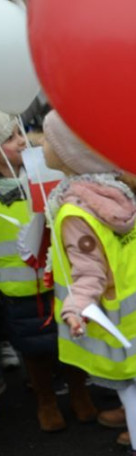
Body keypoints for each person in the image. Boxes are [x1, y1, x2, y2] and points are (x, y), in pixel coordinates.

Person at [43, 111, 136, 456]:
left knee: (131, 393)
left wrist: (74, 308)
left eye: (49, 140)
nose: (41, 144)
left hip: (117, 322)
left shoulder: (76, 211)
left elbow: (89, 274)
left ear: (71, 156)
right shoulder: (113, 193)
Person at [0, 112, 100, 431]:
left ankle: (80, 393)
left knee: (70, 338)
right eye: (10, 138)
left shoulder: (41, 175)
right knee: (33, 349)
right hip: (17, 287)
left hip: (59, 276)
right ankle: (45, 400)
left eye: (20, 133)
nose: (21, 141)